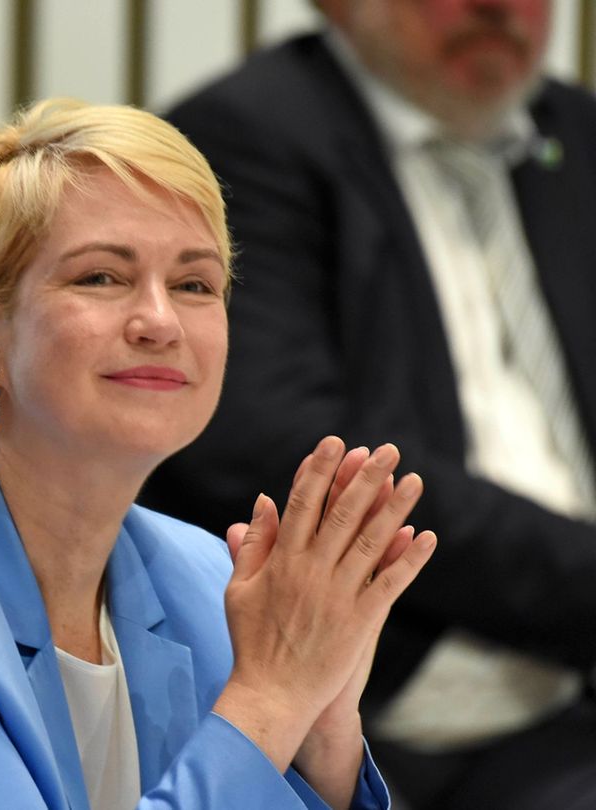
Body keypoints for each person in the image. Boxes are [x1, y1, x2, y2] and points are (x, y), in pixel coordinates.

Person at [0, 98, 437, 809]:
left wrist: (323, 737)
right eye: (101, 277)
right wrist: (272, 695)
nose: (160, 322)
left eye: (194, 284)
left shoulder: (210, 583)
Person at [147, 1, 596, 805]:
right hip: (386, 697)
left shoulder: (577, 133)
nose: (496, 6)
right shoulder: (249, 137)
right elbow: (283, 446)